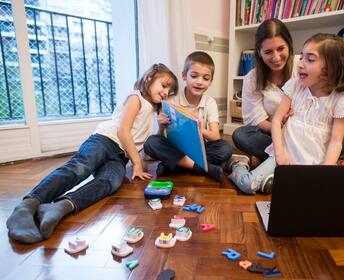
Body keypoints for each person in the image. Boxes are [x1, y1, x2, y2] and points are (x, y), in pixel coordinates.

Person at [6, 63, 178, 243]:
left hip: (119, 156)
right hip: (104, 140)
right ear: (148, 78)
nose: (166, 93)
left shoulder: (153, 110)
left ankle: (60, 207)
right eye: (164, 86)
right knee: (80, 167)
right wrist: (136, 163)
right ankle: (28, 205)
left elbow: (148, 151)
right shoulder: (136, 99)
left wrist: (161, 128)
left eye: (170, 91)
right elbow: (123, 131)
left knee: (110, 182)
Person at [228, 33, 344, 194]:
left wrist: (326, 173)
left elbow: (336, 142)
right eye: (302, 57)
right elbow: (276, 120)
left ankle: (278, 180)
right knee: (248, 185)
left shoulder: (342, 102)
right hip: (283, 156)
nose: (300, 64)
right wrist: (279, 155)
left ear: (330, 69)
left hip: (314, 162)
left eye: (310, 59)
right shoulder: (295, 86)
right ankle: (238, 165)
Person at [144, 51, 232, 181]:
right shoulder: (171, 100)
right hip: (175, 147)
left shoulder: (210, 102)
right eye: (194, 76)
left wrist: (198, 128)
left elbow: (215, 136)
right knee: (151, 143)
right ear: (184, 76)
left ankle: (174, 165)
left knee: (225, 148)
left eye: (206, 78)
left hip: (199, 150)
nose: (199, 82)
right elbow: (161, 137)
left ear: (211, 81)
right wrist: (161, 126)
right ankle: (202, 168)